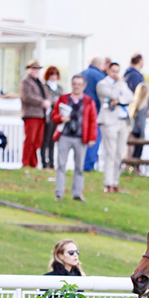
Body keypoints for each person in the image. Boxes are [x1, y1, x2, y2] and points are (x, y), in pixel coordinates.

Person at [51, 74, 98, 202]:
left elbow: (93, 120)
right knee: (61, 165)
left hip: (80, 138)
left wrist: (92, 137)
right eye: (74, 83)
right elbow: (54, 115)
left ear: (84, 86)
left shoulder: (89, 101)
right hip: (65, 136)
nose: (76, 86)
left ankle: (77, 193)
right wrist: (61, 118)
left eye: (79, 84)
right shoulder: (63, 99)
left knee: (79, 167)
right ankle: (59, 193)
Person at [97, 61, 134, 193]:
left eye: (118, 72)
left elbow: (130, 97)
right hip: (109, 121)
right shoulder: (102, 84)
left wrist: (120, 100)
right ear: (108, 71)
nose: (116, 74)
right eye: (113, 71)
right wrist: (119, 89)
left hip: (122, 121)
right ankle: (108, 183)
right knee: (110, 152)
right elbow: (112, 95)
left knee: (119, 153)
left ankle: (115, 182)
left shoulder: (121, 84)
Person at [78, 57, 107, 172]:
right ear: (99, 64)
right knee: (93, 138)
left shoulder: (81, 74)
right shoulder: (99, 76)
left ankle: (79, 164)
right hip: (94, 112)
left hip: (80, 111)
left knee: (82, 138)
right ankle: (88, 166)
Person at [20, 59, 50, 168]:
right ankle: (26, 162)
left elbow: (47, 95)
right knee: (30, 140)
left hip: (41, 115)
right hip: (31, 115)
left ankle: (33, 163)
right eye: (34, 68)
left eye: (37, 68)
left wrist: (48, 101)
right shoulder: (26, 81)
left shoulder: (40, 82)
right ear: (29, 69)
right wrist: (42, 102)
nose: (36, 70)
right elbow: (27, 97)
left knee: (37, 141)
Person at [41, 66, 63, 170]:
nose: (54, 76)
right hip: (47, 115)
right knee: (46, 139)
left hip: (56, 115)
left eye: (56, 74)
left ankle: (52, 162)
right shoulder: (44, 87)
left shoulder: (59, 88)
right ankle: (44, 162)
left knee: (53, 140)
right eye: (52, 74)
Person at [128, 81, 149, 161]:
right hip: (138, 131)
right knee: (137, 152)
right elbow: (141, 121)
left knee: (130, 152)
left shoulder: (134, 104)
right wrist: (143, 134)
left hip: (132, 130)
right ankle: (134, 168)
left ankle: (129, 168)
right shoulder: (143, 106)